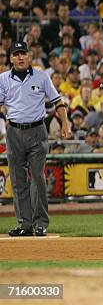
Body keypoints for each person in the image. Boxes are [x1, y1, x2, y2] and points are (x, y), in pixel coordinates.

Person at [1, 41, 71, 237]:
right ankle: (25, 223)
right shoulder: (3, 79)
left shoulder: (41, 76)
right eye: (16, 54)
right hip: (14, 131)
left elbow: (58, 101)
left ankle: (40, 223)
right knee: (17, 180)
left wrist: (65, 124)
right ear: (11, 58)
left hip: (37, 131)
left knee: (38, 177)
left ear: (30, 56)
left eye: (23, 53)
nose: (20, 57)